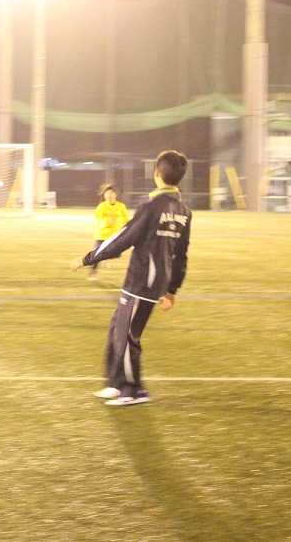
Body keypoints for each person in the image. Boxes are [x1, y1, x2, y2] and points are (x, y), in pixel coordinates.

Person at [72, 150, 192, 407]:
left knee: (127, 335)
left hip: (141, 281)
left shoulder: (151, 207)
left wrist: (89, 258)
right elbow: (181, 254)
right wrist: (172, 290)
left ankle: (134, 390)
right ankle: (116, 383)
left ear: (156, 173)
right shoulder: (183, 210)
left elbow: (122, 238)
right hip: (153, 281)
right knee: (118, 328)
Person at [89, 183, 130, 281]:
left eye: (111, 193)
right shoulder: (101, 207)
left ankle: (106, 257)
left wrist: (127, 228)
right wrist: (106, 222)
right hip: (102, 235)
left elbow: (126, 220)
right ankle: (93, 273)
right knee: (96, 255)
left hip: (115, 236)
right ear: (104, 195)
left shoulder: (121, 206)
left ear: (115, 194)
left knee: (116, 254)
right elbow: (98, 219)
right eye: (107, 194)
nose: (109, 195)